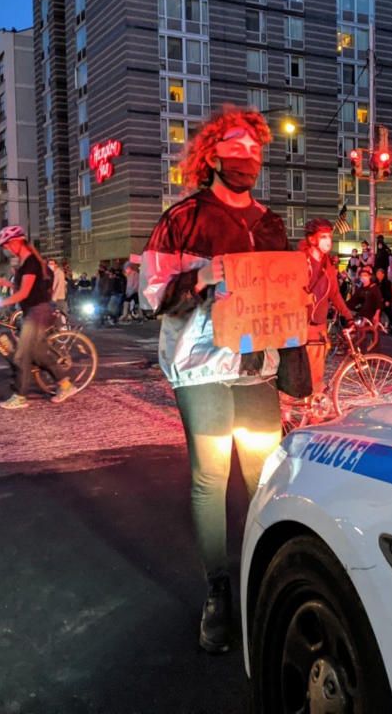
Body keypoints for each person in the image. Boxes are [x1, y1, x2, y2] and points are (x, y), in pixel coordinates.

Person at [140, 106, 288, 655]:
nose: (246, 157)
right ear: (211, 155)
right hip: (200, 365)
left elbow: (285, 295)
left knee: (265, 477)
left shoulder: (271, 224)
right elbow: (153, 295)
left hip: (256, 368)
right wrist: (202, 275)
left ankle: (262, 575)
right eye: (235, 147)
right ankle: (218, 590)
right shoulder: (181, 219)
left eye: (254, 149)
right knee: (211, 475)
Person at [0, 226, 76, 410]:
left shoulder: (31, 262)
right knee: (38, 353)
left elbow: (23, 293)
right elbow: (27, 289)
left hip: (38, 312)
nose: (5, 250)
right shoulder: (25, 262)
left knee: (22, 355)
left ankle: (20, 396)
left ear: (15, 242)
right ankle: (66, 385)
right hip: (34, 310)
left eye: (6, 245)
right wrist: (5, 284)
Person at [300, 219, 354, 395]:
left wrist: (348, 316)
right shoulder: (300, 260)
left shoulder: (328, 265)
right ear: (312, 239)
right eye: (323, 236)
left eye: (330, 236)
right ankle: (287, 411)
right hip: (300, 325)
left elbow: (335, 294)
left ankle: (313, 408)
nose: (328, 241)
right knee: (297, 369)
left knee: (317, 371)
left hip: (319, 326)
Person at [347, 266, 383, 349]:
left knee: (374, 338)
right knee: (361, 337)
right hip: (362, 317)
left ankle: (375, 357)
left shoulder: (374, 288)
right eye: (361, 275)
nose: (363, 277)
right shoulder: (361, 289)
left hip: (372, 317)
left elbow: (379, 303)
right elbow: (353, 301)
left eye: (365, 275)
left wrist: (377, 315)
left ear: (370, 276)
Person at [376, 267, 392, 332]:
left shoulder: (386, 282)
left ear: (383, 274)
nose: (378, 275)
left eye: (379, 273)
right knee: (380, 313)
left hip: (385, 300)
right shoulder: (377, 282)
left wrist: (387, 300)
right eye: (377, 273)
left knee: (389, 313)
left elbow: (388, 292)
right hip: (379, 301)